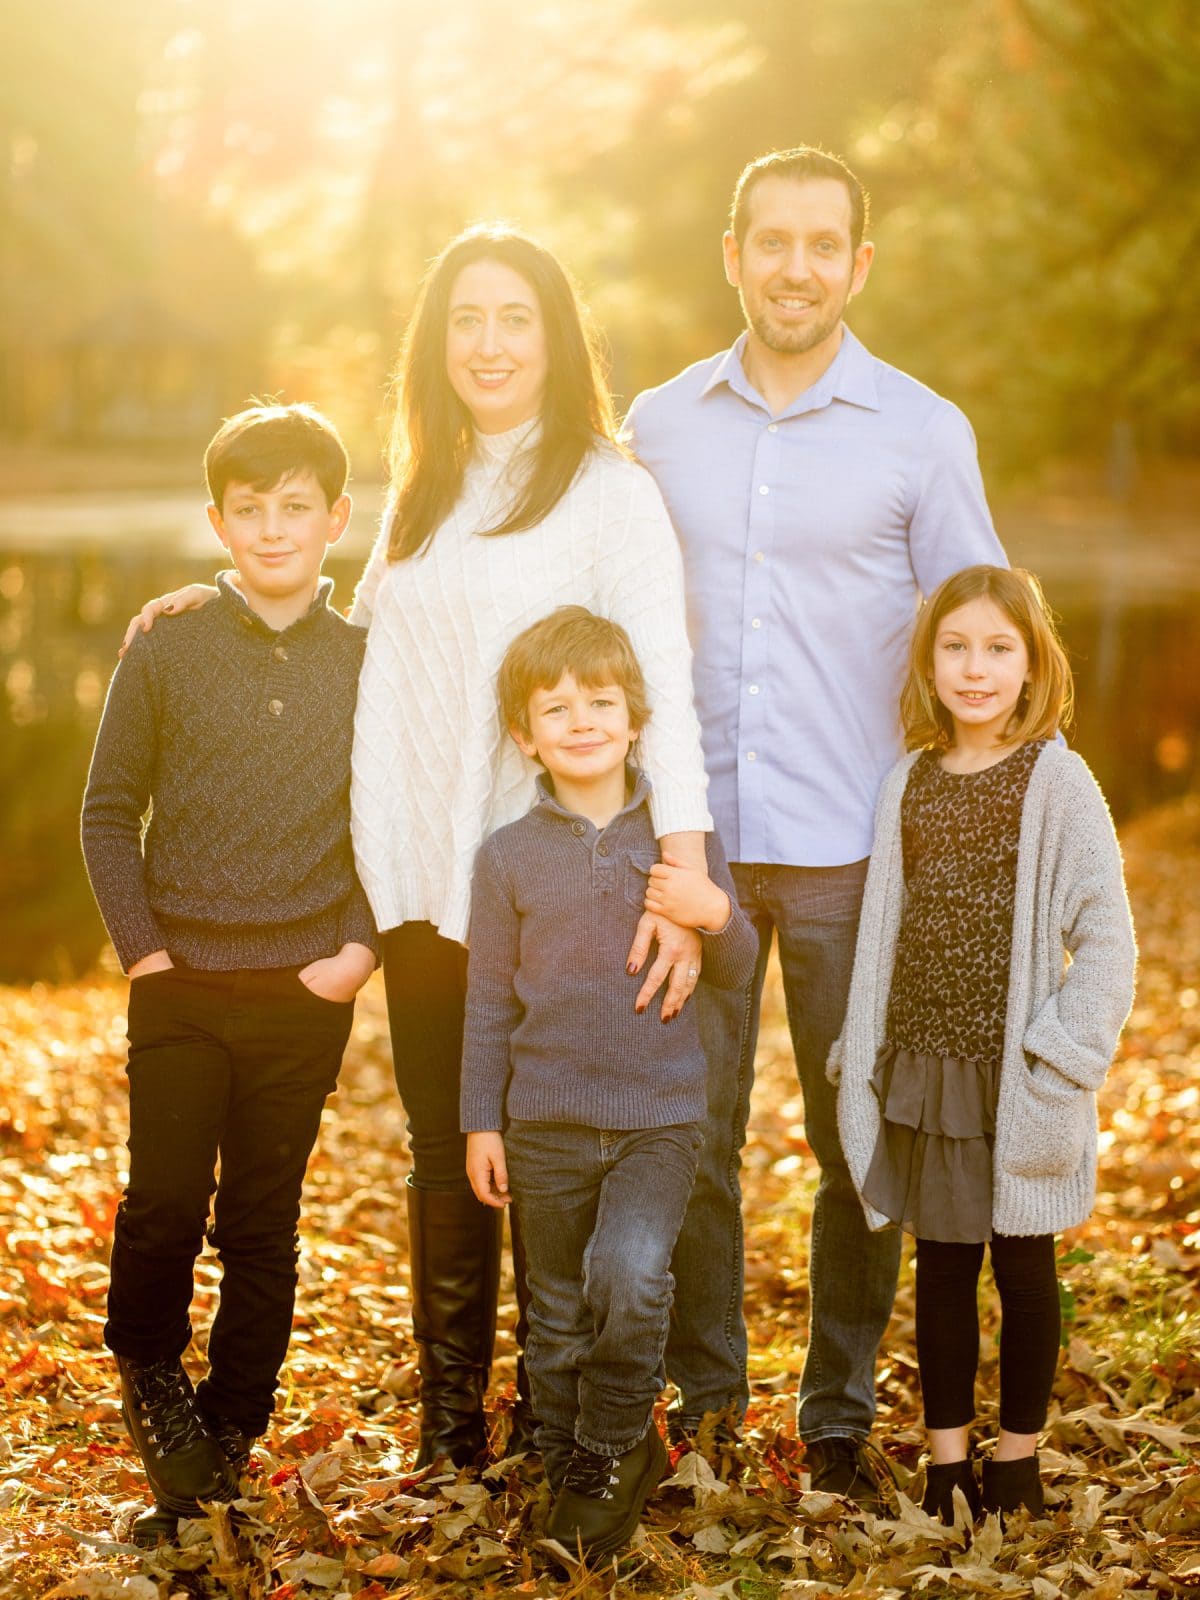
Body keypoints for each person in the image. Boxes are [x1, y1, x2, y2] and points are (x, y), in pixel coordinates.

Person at [125, 225, 713, 1468]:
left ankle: (576, 1413)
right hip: (421, 884)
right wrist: (206, 606)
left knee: (554, 1140)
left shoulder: (610, 489)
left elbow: (663, 678)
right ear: (435, 345)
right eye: (466, 320)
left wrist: (685, 863)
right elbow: (366, 643)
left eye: (514, 318)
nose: (489, 344)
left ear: (554, 337)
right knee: (447, 1144)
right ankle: (454, 1422)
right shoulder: (424, 490)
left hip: (562, 882)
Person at [625, 145, 1010, 1505]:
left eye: (821, 243)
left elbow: (984, 632)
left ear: (858, 265)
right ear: (732, 254)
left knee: (863, 1148)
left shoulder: (922, 431)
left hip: (863, 855)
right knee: (692, 1137)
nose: (794, 266)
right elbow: (567, 595)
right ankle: (709, 1397)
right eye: (769, 240)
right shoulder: (658, 425)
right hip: (696, 852)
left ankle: (837, 1411)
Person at [81, 403, 378, 1545]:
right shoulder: (168, 644)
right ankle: (150, 1370)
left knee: (263, 1221)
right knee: (162, 1202)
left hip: (305, 982)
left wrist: (353, 952)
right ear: (216, 519)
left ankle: (233, 1419)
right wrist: (146, 952)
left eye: (295, 507)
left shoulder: (366, 659)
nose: (272, 528)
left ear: (335, 520)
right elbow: (110, 812)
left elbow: (389, 820)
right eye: (248, 509)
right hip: (183, 980)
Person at [831, 565, 1136, 1523]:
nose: (976, 669)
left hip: (1016, 1072)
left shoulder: (1056, 779)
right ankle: (946, 1462)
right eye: (955, 647)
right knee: (944, 1269)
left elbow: (1109, 938)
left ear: (1032, 662)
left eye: (999, 648)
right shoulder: (909, 781)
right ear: (928, 663)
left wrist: (1063, 1053)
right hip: (925, 1067)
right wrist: (862, 1044)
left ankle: (1018, 1458)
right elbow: (884, 924)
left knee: (1024, 1267)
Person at [460, 607, 756, 1557]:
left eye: (601, 701)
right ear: (525, 735)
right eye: (556, 708)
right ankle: (564, 1467)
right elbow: (486, 1007)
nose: (581, 720)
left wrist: (714, 912)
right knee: (552, 1314)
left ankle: (612, 1445)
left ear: (635, 720)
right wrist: (480, 1122)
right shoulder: (508, 856)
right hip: (543, 1123)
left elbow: (741, 970)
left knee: (627, 1280)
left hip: (657, 1123)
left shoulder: (673, 844)